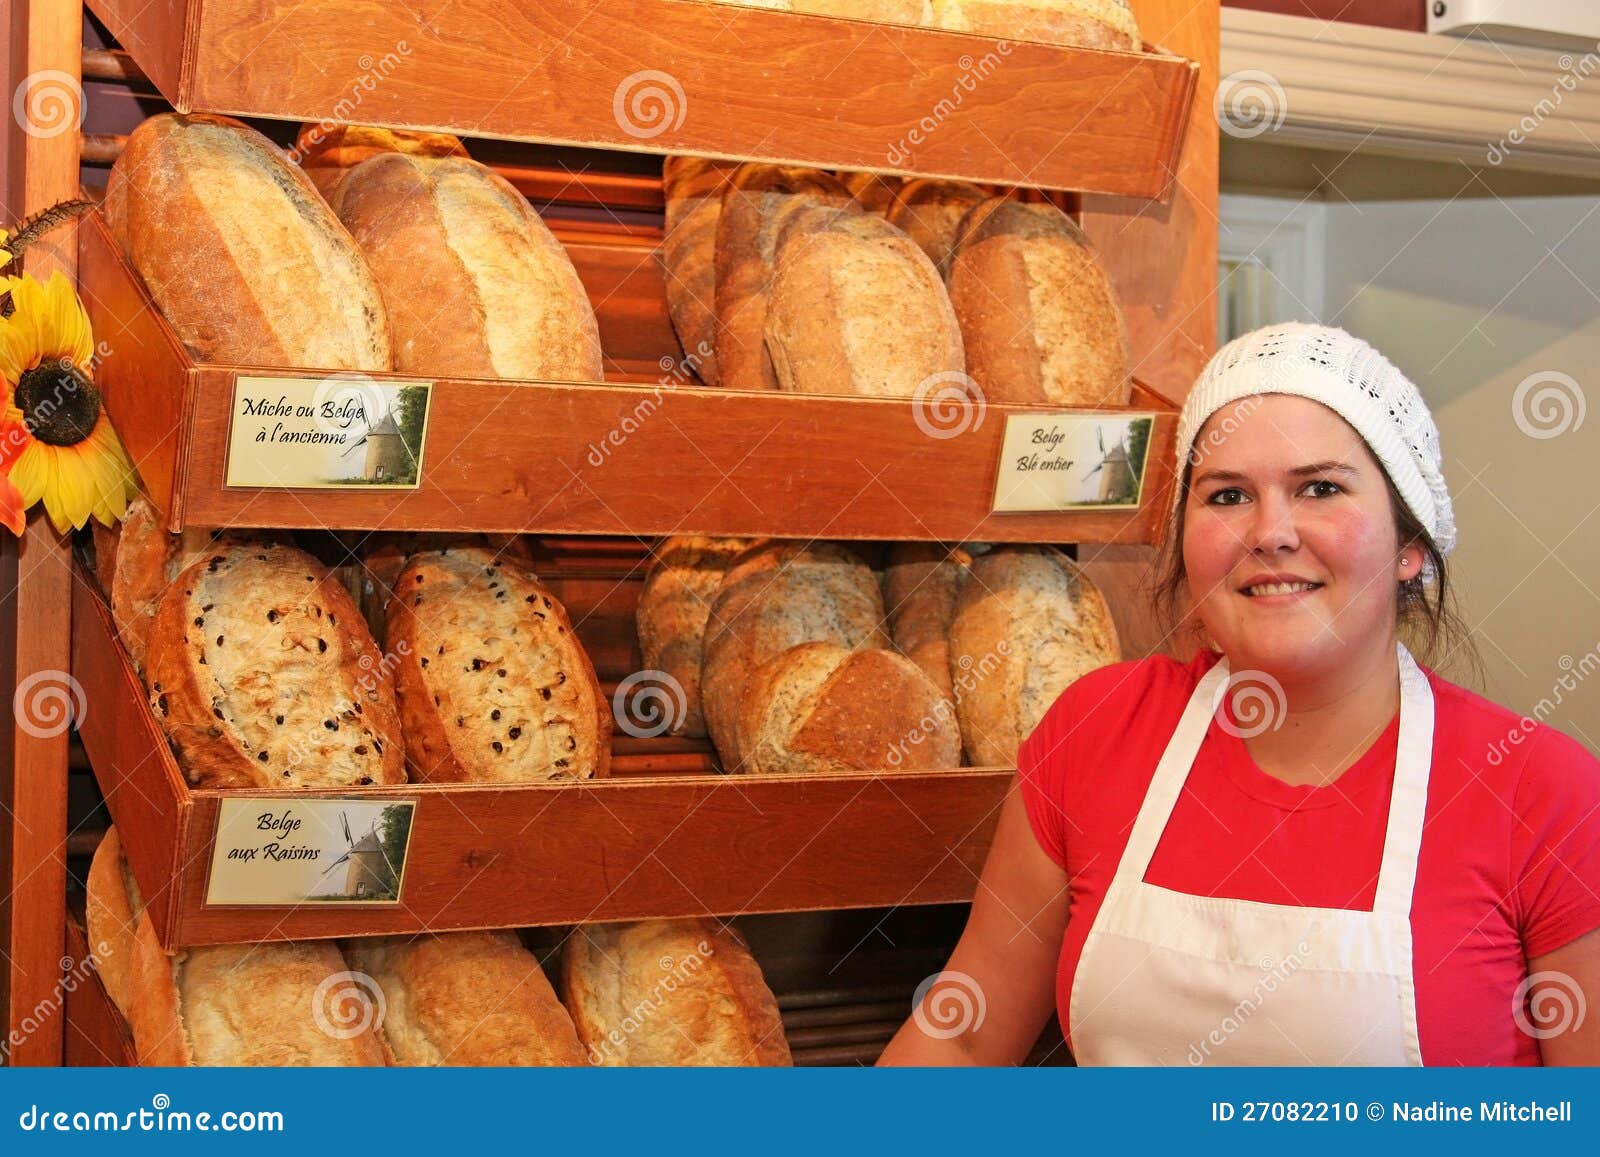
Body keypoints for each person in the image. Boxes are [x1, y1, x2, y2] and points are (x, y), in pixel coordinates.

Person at [879, 323, 1600, 1066]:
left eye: (1320, 488)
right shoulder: (1096, 732)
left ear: (1409, 545)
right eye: (1227, 495)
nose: (1270, 533)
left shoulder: (1541, 792)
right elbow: (963, 1038)